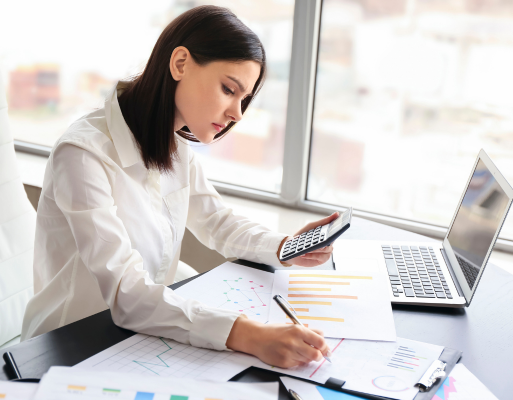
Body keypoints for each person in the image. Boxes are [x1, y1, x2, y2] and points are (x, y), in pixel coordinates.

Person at [21, 5, 339, 368]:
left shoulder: (174, 145)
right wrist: (249, 334)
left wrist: (286, 246)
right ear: (181, 64)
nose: (238, 113)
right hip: (69, 348)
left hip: (140, 337)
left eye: (244, 99)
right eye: (228, 89)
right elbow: (127, 294)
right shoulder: (82, 155)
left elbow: (218, 222)